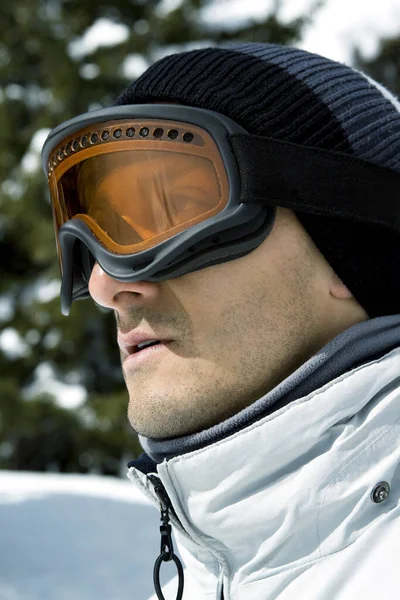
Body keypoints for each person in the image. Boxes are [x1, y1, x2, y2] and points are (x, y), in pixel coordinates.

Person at [42, 42, 400, 600]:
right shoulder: (216, 570)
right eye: (97, 229)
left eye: (168, 209)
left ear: (351, 251)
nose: (105, 285)